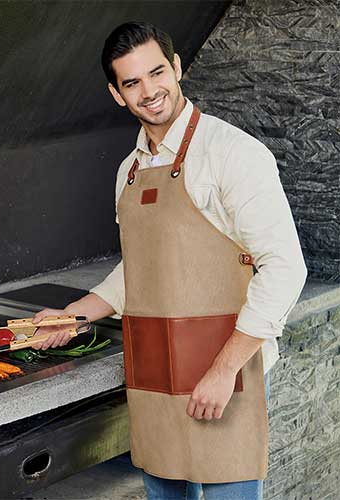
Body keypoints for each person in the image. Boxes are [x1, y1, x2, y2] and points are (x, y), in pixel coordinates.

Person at [31, 21, 307, 500]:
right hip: (155, 375)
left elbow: (285, 267)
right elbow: (142, 267)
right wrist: (75, 316)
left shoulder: (233, 154)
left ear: (176, 68)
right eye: (132, 82)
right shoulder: (130, 170)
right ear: (117, 94)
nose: (149, 91)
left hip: (227, 374)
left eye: (157, 73)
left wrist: (224, 371)